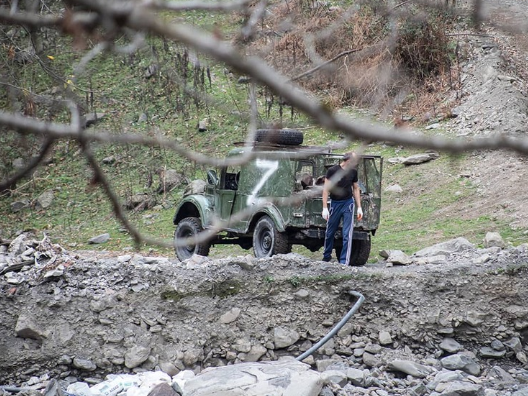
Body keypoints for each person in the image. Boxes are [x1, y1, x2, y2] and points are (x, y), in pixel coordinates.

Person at [321, 152, 363, 265]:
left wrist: (359, 207)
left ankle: (344, 262)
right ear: (348, 160)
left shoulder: (353, 171)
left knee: (347, 233)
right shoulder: (332, 171)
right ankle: (326, 256)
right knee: (330, 232)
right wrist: (325, 207)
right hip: (335, 204)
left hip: (348, 203)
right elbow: (326, 189)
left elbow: (355, 188)